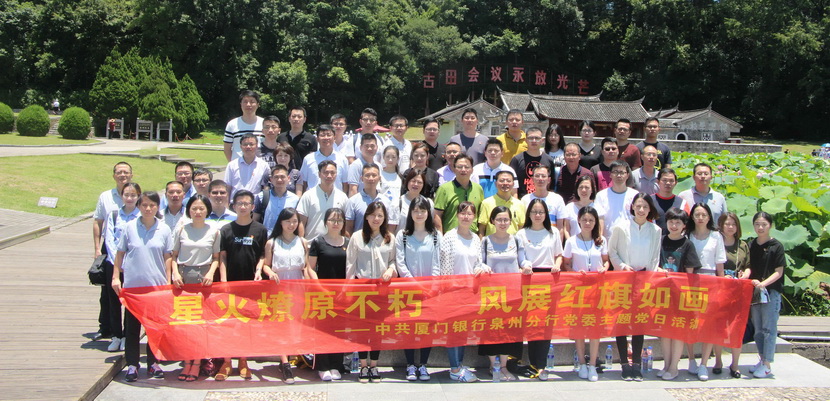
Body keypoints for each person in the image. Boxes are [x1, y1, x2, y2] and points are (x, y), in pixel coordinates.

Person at [111, 191, 172, 382]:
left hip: (156, 288)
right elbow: (120, 253)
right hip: (133, 288)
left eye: (152, 205)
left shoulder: (164, 229)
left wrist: (168, 281)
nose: (148, 208)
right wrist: (115, 277)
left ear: (157, 207)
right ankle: (132, 364)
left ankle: (154, 363)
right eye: (144, 205)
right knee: (132, 328)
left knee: (155, 328)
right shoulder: (129, 227)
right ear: (138, 206)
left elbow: (168, 257)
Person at [215, 190, 269, 382]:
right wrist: (223, 281)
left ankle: (243, 361)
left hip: (251, 285)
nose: (243, 206)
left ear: (253, 206)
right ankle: (226, 362)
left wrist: (259, 270)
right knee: (228, 324)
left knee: (246, 325)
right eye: (239, 203)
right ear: (234, 206)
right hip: (230, 284)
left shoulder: (260, 230)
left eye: (246, 203)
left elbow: (263, 254)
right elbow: (222, 257)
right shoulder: (226, 229)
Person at [608, 193, 662, 381]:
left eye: (645, 207)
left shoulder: (655, 230)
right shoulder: (620, 227)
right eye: (638, 206)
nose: (641, 210)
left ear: (650, 209)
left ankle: (637, 364)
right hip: (624, 279)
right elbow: (612, 251)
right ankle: (624, 363)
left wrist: (650, 279)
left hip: (643, 280)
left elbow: (655, 258)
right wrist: (623, 266)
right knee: (622, 322)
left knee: (639, 322)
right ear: (632, 207)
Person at [170, 194, 221, 382]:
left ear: (207, 211)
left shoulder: (214, 231)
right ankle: (186, 362)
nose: (198, 212)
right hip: (183, 279)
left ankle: (197, 363)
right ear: (189, 210)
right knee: (185, 324)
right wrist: (175, 274)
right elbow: (173, 256)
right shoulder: (182, 229)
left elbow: (216, 258)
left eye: (201, 208)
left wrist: (211, 273)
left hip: (204, 279)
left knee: (200, 324)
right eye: (194, 208)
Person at [478, 206, 532, 381]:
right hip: (491, 294)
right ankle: (492, 365)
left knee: (508, 330)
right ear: (492, 221)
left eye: (506, 220)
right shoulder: (486, 241)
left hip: (511, 293)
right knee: (492, 329)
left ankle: (503, 366)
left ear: (510, 221)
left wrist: (527, 266)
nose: (502, 223)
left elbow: (522, 260)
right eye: (499, 219)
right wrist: (484, 267)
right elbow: (480, 262)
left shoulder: (516, 240)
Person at [345, 201, 397, 382]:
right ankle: (363, 366)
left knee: (378, 330)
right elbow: (350, 264)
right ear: (366, 216)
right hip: (362, 290)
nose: (376, 219)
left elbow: (393, 261)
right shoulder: (357, 237)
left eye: (380, 215)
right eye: (373, 215)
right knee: (362, 329)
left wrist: (390, 270)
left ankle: (374, 365)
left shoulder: (389, 238)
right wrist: (348, 288)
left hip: (381, 291)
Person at [515, 199, 563, 381]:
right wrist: (524, 267)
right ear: (528, 214)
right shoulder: (521, 233)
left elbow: (559, 255)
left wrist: (557, 265)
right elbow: (519, 257)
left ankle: (541, 364)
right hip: (528, 279)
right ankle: (524, 361)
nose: (537, 215)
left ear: (546, 214)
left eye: (541, 212)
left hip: (548, 279)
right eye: (534, 211)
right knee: (529, 321)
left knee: (545, 323)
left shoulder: (553, 232)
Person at [395, 197, 441, 381]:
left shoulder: (435, 235)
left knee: (426, 328)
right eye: (416, 211)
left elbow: (437, 263)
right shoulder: (403, 235)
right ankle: (410, 365)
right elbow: (401, 263)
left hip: (430, 292)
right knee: (409, 328)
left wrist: (432, 286)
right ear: (410, 213)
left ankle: (423, 364)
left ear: (428, 213)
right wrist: (415, 285)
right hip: (409, 291)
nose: (419, 214)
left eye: (423, 211)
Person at [563, 205, 609, 382]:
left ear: (595, 222)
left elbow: (606, 261)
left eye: (591, 220)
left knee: (594, 328)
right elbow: (566, 264)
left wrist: (604, 268)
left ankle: (592, 365)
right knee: (580, 327)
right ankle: (582, 363)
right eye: (584, 220)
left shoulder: (601, 241)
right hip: (578, 290)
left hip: (597, 290)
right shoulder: (571, 241)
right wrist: (575, 273)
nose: (587, 223)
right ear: (579, 221)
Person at [439, 201, 484, 383]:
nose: (466, 217)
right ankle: (454, 368)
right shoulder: (449, 237)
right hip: (453, 291)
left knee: (463, 330)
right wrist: (447, 291)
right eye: (463, 213)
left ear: (474, 217)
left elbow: (478, 262)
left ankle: (460, 364)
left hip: (469, 292)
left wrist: (481, 268)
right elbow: (444, 266)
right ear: (457, 215)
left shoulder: (476, 239)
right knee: (453, 331)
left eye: (470, 214)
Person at [261, 207, 308, 381]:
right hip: (279, 286)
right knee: (281, 323)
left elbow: (306, 267)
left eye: (295, 221)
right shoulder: (272, 243)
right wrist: (270, 272)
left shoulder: (302, 242)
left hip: (298, 286)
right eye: (288, 221)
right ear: (281, 222)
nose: (291, 225)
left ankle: (291, 355)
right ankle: (285, 362)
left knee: (295, 323)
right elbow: (266, 264)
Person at [305, 208, 349, 381]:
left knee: (339, 330)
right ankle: (322, 366)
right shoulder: (318, 241)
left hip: (342, 294)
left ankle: (336, 364)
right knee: (323, 329)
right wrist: (319, 286)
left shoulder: (348, 242)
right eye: (332, 220)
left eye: (339, 220)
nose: (336, 223)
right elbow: (310, 267)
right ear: (325, 222)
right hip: (322, 294)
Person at [658, 207, 701, 381]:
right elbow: (654, 262)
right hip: (662, 293)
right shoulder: (660, 240)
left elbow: (690, 273)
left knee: (677, 331)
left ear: (684, 225)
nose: (674, 225)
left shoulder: (687, 244)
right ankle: (666, 364)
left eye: (678, 222)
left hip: (680, 294)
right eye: (671, 222)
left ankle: (674, 367)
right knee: (664, 331)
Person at [686, 202, 727, 381]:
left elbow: (720, 264)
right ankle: (691, 359)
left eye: (704, 215)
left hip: (711, 281)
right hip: (691, 281)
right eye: (697, 215)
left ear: (709, 217)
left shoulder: (716, 236)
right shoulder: (687, 235)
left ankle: (704, 363)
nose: (700, 218)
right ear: (692, 217)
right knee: (690, 322)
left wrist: (722, 286)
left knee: (708, 324)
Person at [92, 161, 132, 341]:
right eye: (119, 172)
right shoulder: (105, 196)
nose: (123, 175)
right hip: (109, 247)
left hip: (130, 249)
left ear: (131, 175)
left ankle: (128, 332)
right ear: (114, 175)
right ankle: (106, 327)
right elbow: (98, 221)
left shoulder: (136, 194)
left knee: (128, 290)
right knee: (107, 291)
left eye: (126, 172)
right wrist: (97, 248)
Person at [102, 182, 141, 352]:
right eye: (126, 195)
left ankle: (127, 336)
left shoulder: (141, 216)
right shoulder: (114, 215)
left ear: (138, 196)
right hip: (115, 264)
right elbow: (109, 240)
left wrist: (128, 262)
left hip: (134, 265)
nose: (130, 198)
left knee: (130, 302)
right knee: (114, 301)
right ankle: (116, 335)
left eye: (133, 195)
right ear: (121, 196)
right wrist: (117, 263)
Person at [747, 212, 786, 379]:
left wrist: (763, 283)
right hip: (755, 293)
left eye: (764, 224)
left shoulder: (777, 246)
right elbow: (748, 266)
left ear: (770, 225)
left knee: (769, 329)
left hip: (771, 292)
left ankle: (768, 364)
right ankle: (762, 359)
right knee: (758, 329)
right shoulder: (751, 245)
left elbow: (779, 272)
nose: (760, 227)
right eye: (757, 224)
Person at [718, 212, 751, 379]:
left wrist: (746, 274)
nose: (730, 227)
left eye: (733, 224)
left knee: (737, 327)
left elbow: (748, 265)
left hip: (738, 289)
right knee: (718, 325)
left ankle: (735, 364)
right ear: (721, 225)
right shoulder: (716, 241)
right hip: (720, 288)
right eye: (727, 224)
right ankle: (718, 361)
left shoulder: (743, 245)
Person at [297, 160, 349, 240]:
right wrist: (301, 241)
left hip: (335, 244)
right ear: (319, 174)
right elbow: (301, 222)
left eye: (332, 173)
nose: (329, 176)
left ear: (336, 174)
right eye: (325, 172)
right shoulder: (308, 195)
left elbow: (346, 223)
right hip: (312, 243)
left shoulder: (342, 197)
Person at [434, 154, 484, 233]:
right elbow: (437, 215)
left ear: (472, 170)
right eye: (460, 167)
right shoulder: (444, 189)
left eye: (467, 167)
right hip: (450, 236)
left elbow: (480, 215)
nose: (463, 170)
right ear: (454, 169)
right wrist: (440, 236)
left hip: (473, 236)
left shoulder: (478, 189)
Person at [345, 163, 399, 234]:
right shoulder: (353, 201)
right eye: (367, 175)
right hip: (359, 240)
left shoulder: (386, 201)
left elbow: (389, 228)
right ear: (361, 178)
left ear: (379, 178)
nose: (371, 178)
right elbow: (348, 227)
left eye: (374, 175)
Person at [594, 160, 639, 239]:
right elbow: (599, 218)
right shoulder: (601, 195)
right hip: (608, 239)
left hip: (630, 238)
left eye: (622, 172)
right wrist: (600, 237)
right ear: (610, 174)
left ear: (628, 175)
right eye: (615, 172)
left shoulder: (635, 195)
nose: (618, 175)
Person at [298, 125, 349, 192]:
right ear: (317, 139)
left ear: (334, 138)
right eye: (322, 135)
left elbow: (345, 183)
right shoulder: (308, 159)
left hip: (335, 197)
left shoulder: (342, 159)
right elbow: (303, 182)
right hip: (313, 197)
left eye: (329, 135)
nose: (326, 138)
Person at [520, 165, 568, 237]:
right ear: (532, 179)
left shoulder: (557, 199)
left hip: (551, 239)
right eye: (537, 176)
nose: (540, 179)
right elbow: (523, 224)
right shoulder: (525, 199)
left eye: (543, 176)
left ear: (549, 180)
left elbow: (560, 227)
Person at [253, 165, 301, 235]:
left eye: (282, 177)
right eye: (276, 177)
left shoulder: (295, 199)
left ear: (288, 179)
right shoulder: (262, 196)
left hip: (287, 238)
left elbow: (299, 222)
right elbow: (255, 220)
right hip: (266, 237)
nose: (279, 180)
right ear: (271, 180)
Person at [510, 127, 556, 198]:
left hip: (543, 201)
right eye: (530, 138)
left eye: (537, 138)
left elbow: (551, 185)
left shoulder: (549, 160)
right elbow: (511, 183)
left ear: (542, 140)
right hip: (522, 200)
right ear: (525, 140)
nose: (534, 141)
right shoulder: (517, 160)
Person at [478, 171, 526, 236]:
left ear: (513, 184)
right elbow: (482, 228)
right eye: (502, 181)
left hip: (513, 241)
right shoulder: (486, 203)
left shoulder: (519, 204)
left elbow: (521, 227)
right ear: (495, 183)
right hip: (492, 241)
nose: (505, 183)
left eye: (508, 181)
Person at [224, 90, 264, 161]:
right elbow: (227, 149)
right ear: (241, 104)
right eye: (245, 102)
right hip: (238, 165)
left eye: (252, 102)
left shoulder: (264, 124)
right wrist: (233, 164)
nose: (248, 104)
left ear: (258, 104)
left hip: (259, 165)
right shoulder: (232, 124)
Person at [650, 168, 690, 233]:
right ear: (658, 182)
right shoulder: (649, 201)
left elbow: (687, 224)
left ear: (676, 183)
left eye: (671, 181)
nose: (668, 183)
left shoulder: (682, 203)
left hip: (676, 238)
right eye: (664, 180)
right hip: (653, 237)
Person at [563, 175, 602, 240]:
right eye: (581, 187)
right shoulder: (569, 208)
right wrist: (570, 243)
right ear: (577, 189)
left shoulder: (598, 208)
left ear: (592, 190)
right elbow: (566, 230)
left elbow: (600, 232)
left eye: (587, 187)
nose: (583, 190)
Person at [545, 123, 566, 188]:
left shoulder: (564, 153)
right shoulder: (542, 152)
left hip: (561, 185)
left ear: (560, 136)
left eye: (556, 135)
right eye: (550, 135)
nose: (553, 137)